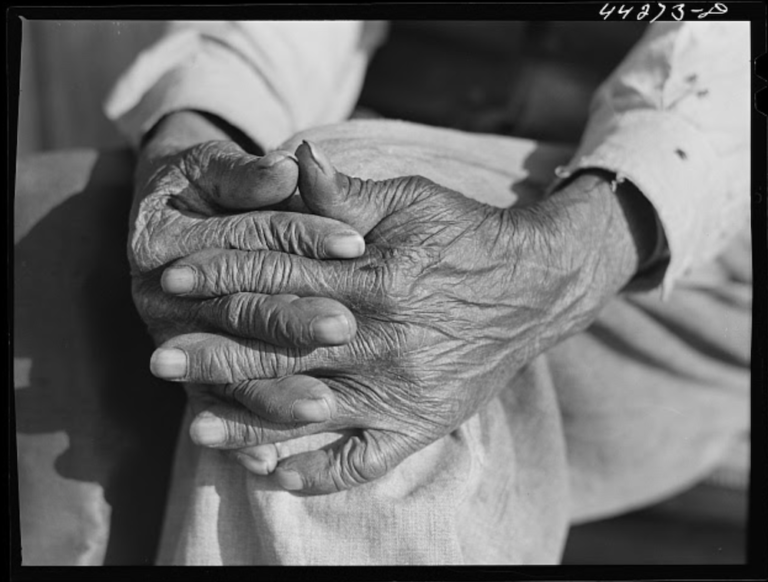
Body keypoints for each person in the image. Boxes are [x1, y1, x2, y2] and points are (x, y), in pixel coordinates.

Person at [104, 20, 751, 564]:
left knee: (369, 258)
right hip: (395, 147)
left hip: (696, 255)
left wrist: (587, 243)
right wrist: (194, 134)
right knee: (323, 245)